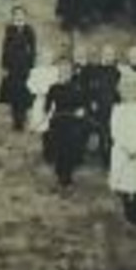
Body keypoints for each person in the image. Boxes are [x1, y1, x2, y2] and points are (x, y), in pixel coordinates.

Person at [108, 85, 136, 223]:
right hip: (124, 150)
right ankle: (129, 209)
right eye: (128, 92)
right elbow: (115, 130)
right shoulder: (119, 110)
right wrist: (127, 147)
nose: (132, 95)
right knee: (126, 180)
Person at [42, 60, 89, 189]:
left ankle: (68, 174)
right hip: (58, 120)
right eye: (62, 72)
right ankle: (61, 174)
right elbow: (47, 106)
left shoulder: (76, 87)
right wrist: (47, 114)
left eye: (67, 72)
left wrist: (81, 111)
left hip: (73, 121)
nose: (64, 74)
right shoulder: (53, 88)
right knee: (59, 147)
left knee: (71, 147)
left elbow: (83, 103)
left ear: (71, 73)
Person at [0, 5, 38, 131]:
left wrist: (31, 67)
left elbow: (33, 50)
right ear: (13, 17)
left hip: (24, 67)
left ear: (25, 17)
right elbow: (5, 49)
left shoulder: (29, 30)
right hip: (12, 67)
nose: (18, 17)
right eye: (16, 15)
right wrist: (5, 66)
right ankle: (16, 121)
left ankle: (22, 118)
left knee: (24, 94)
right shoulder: (10, 30)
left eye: (21, 15)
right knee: (14, 94)